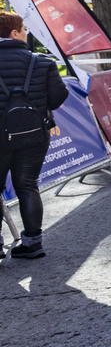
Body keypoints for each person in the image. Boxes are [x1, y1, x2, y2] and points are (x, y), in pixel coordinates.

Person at [0, 13, 68, 259]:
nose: (27, 34)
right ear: (14, 33)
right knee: (27, 185)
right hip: (34, 134)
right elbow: (59, 97)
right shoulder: (43, 62)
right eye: (24, 29)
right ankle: (33, 243)